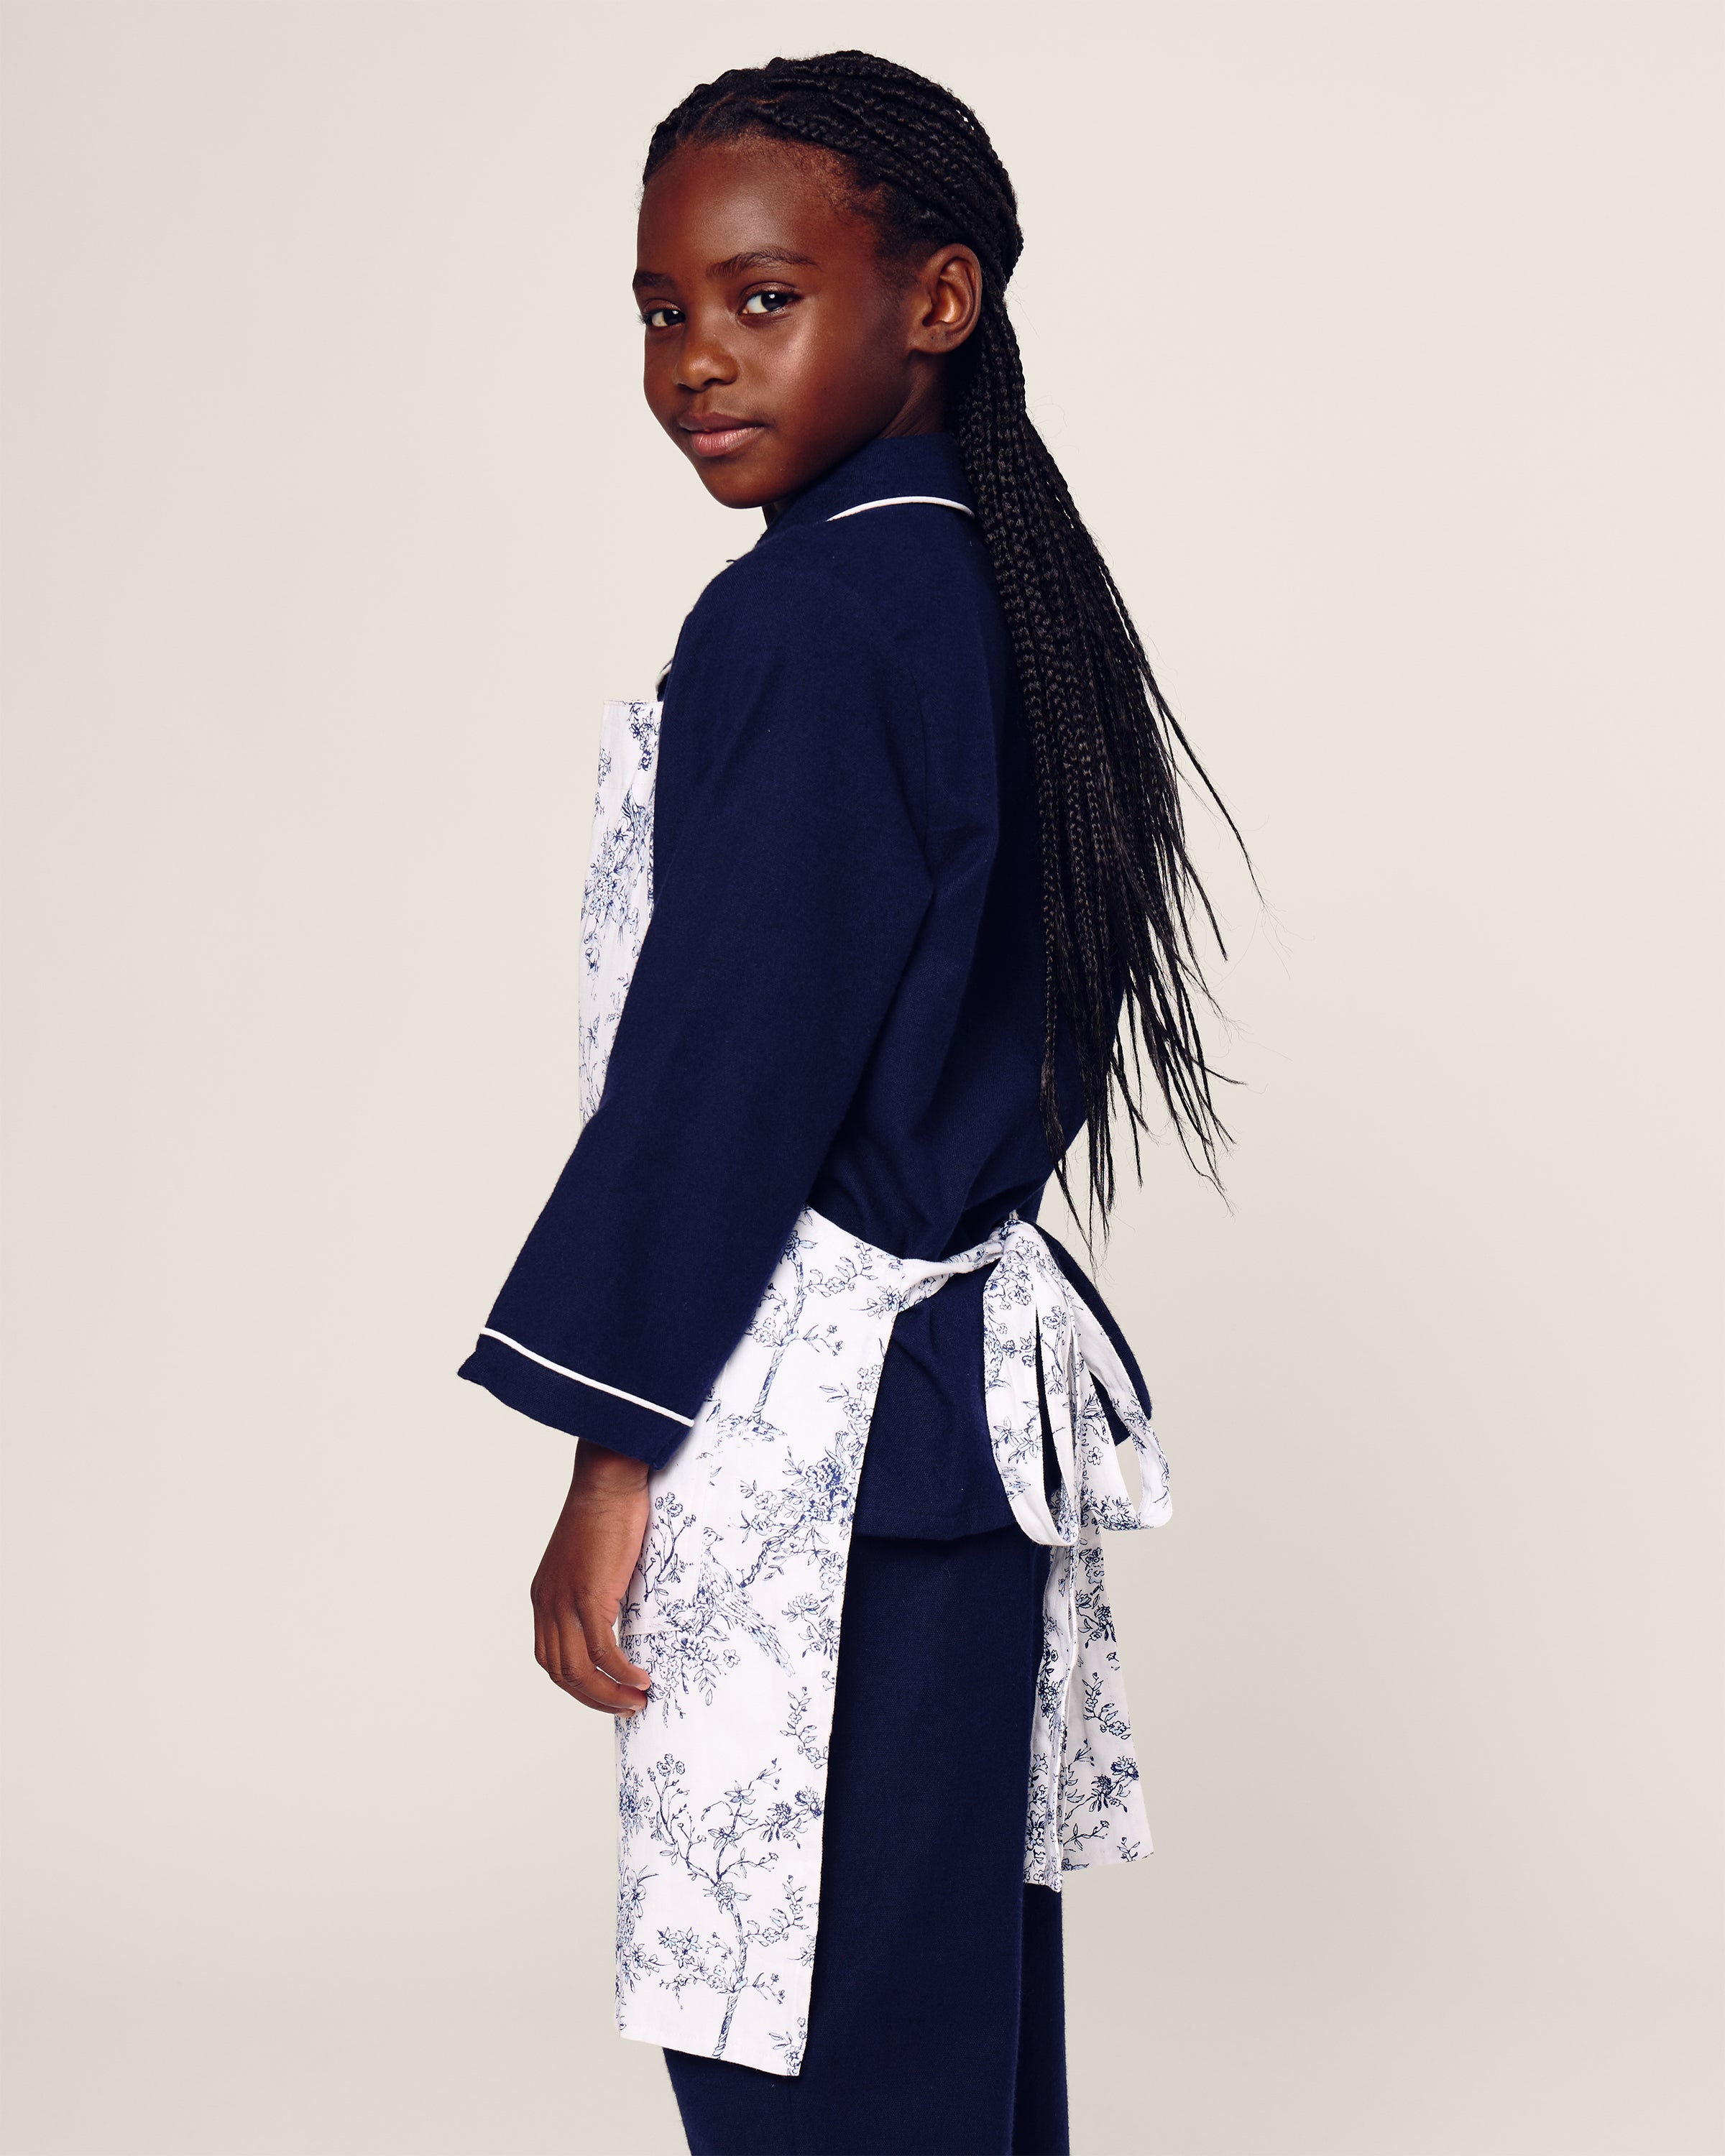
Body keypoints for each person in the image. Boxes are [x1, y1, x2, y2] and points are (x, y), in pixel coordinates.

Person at [459, 50, 1236, 2156]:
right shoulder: (1003, 592)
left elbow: (727, 1080)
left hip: (815, 1456)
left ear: (936, 301)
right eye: (659, 308)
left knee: (818, 2063)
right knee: (943, 2042)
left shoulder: (806, 622)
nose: (696, 358)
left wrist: (613, 1462)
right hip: (961, 1443)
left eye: (761, 297)